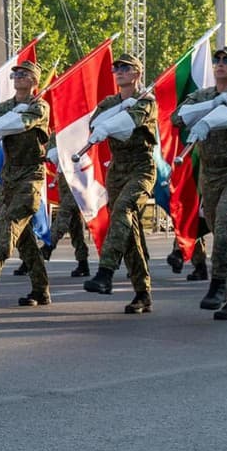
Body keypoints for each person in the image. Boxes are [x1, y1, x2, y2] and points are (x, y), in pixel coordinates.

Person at [171, 45, 227, 320]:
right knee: (224, 233)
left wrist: (210, 120)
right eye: (217, 59)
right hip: (211, 174)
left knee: (224, 221)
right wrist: (209, 105)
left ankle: (218, 283)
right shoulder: (202, 95)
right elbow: (177, 117)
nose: (220, 63)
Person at [79, 53, 159, 314]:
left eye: (125, 68)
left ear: (137, 73)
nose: (119, 72)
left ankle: (106, 271)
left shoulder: (147, 101)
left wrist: (119, 114)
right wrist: (119, 109)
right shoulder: (109, 102)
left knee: (123, 210)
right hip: (117, 169)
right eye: (116, 69)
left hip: (141, 167)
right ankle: (142, 292)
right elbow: (95, 124)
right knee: (129, 232)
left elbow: (127, 124)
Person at [0, 61, 52, 305]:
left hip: (31, 175)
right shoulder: (4, 107)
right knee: (24, 239)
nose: (18, 77)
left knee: (12, 221)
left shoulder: (40, 106)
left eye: (24, 74)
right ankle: (41, 289)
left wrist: (2, 124)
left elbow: (23, 123)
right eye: (15, 74)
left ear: (34, 81)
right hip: (9, 176)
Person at [42, 142, 90, 277]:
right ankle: (83, 262)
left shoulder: (75, 130)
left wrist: (49, 155)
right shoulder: (56, 134)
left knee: (64, 215)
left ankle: (48, 246)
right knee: (75, 227)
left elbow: (59, 153)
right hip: (66, 183)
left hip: (77, 182)